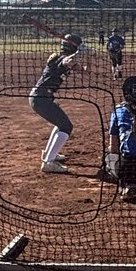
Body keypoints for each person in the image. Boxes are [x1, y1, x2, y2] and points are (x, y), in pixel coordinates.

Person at [29, 33, 84, 173]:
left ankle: (49, 154)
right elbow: (67, 61)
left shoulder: (62, 58)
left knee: (60, 124)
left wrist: (87, 57)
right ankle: (48, 162)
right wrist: (79, 53)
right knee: (66, 126)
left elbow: (82, 70)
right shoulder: (62, 58)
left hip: (42, 97)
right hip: (41, 98)